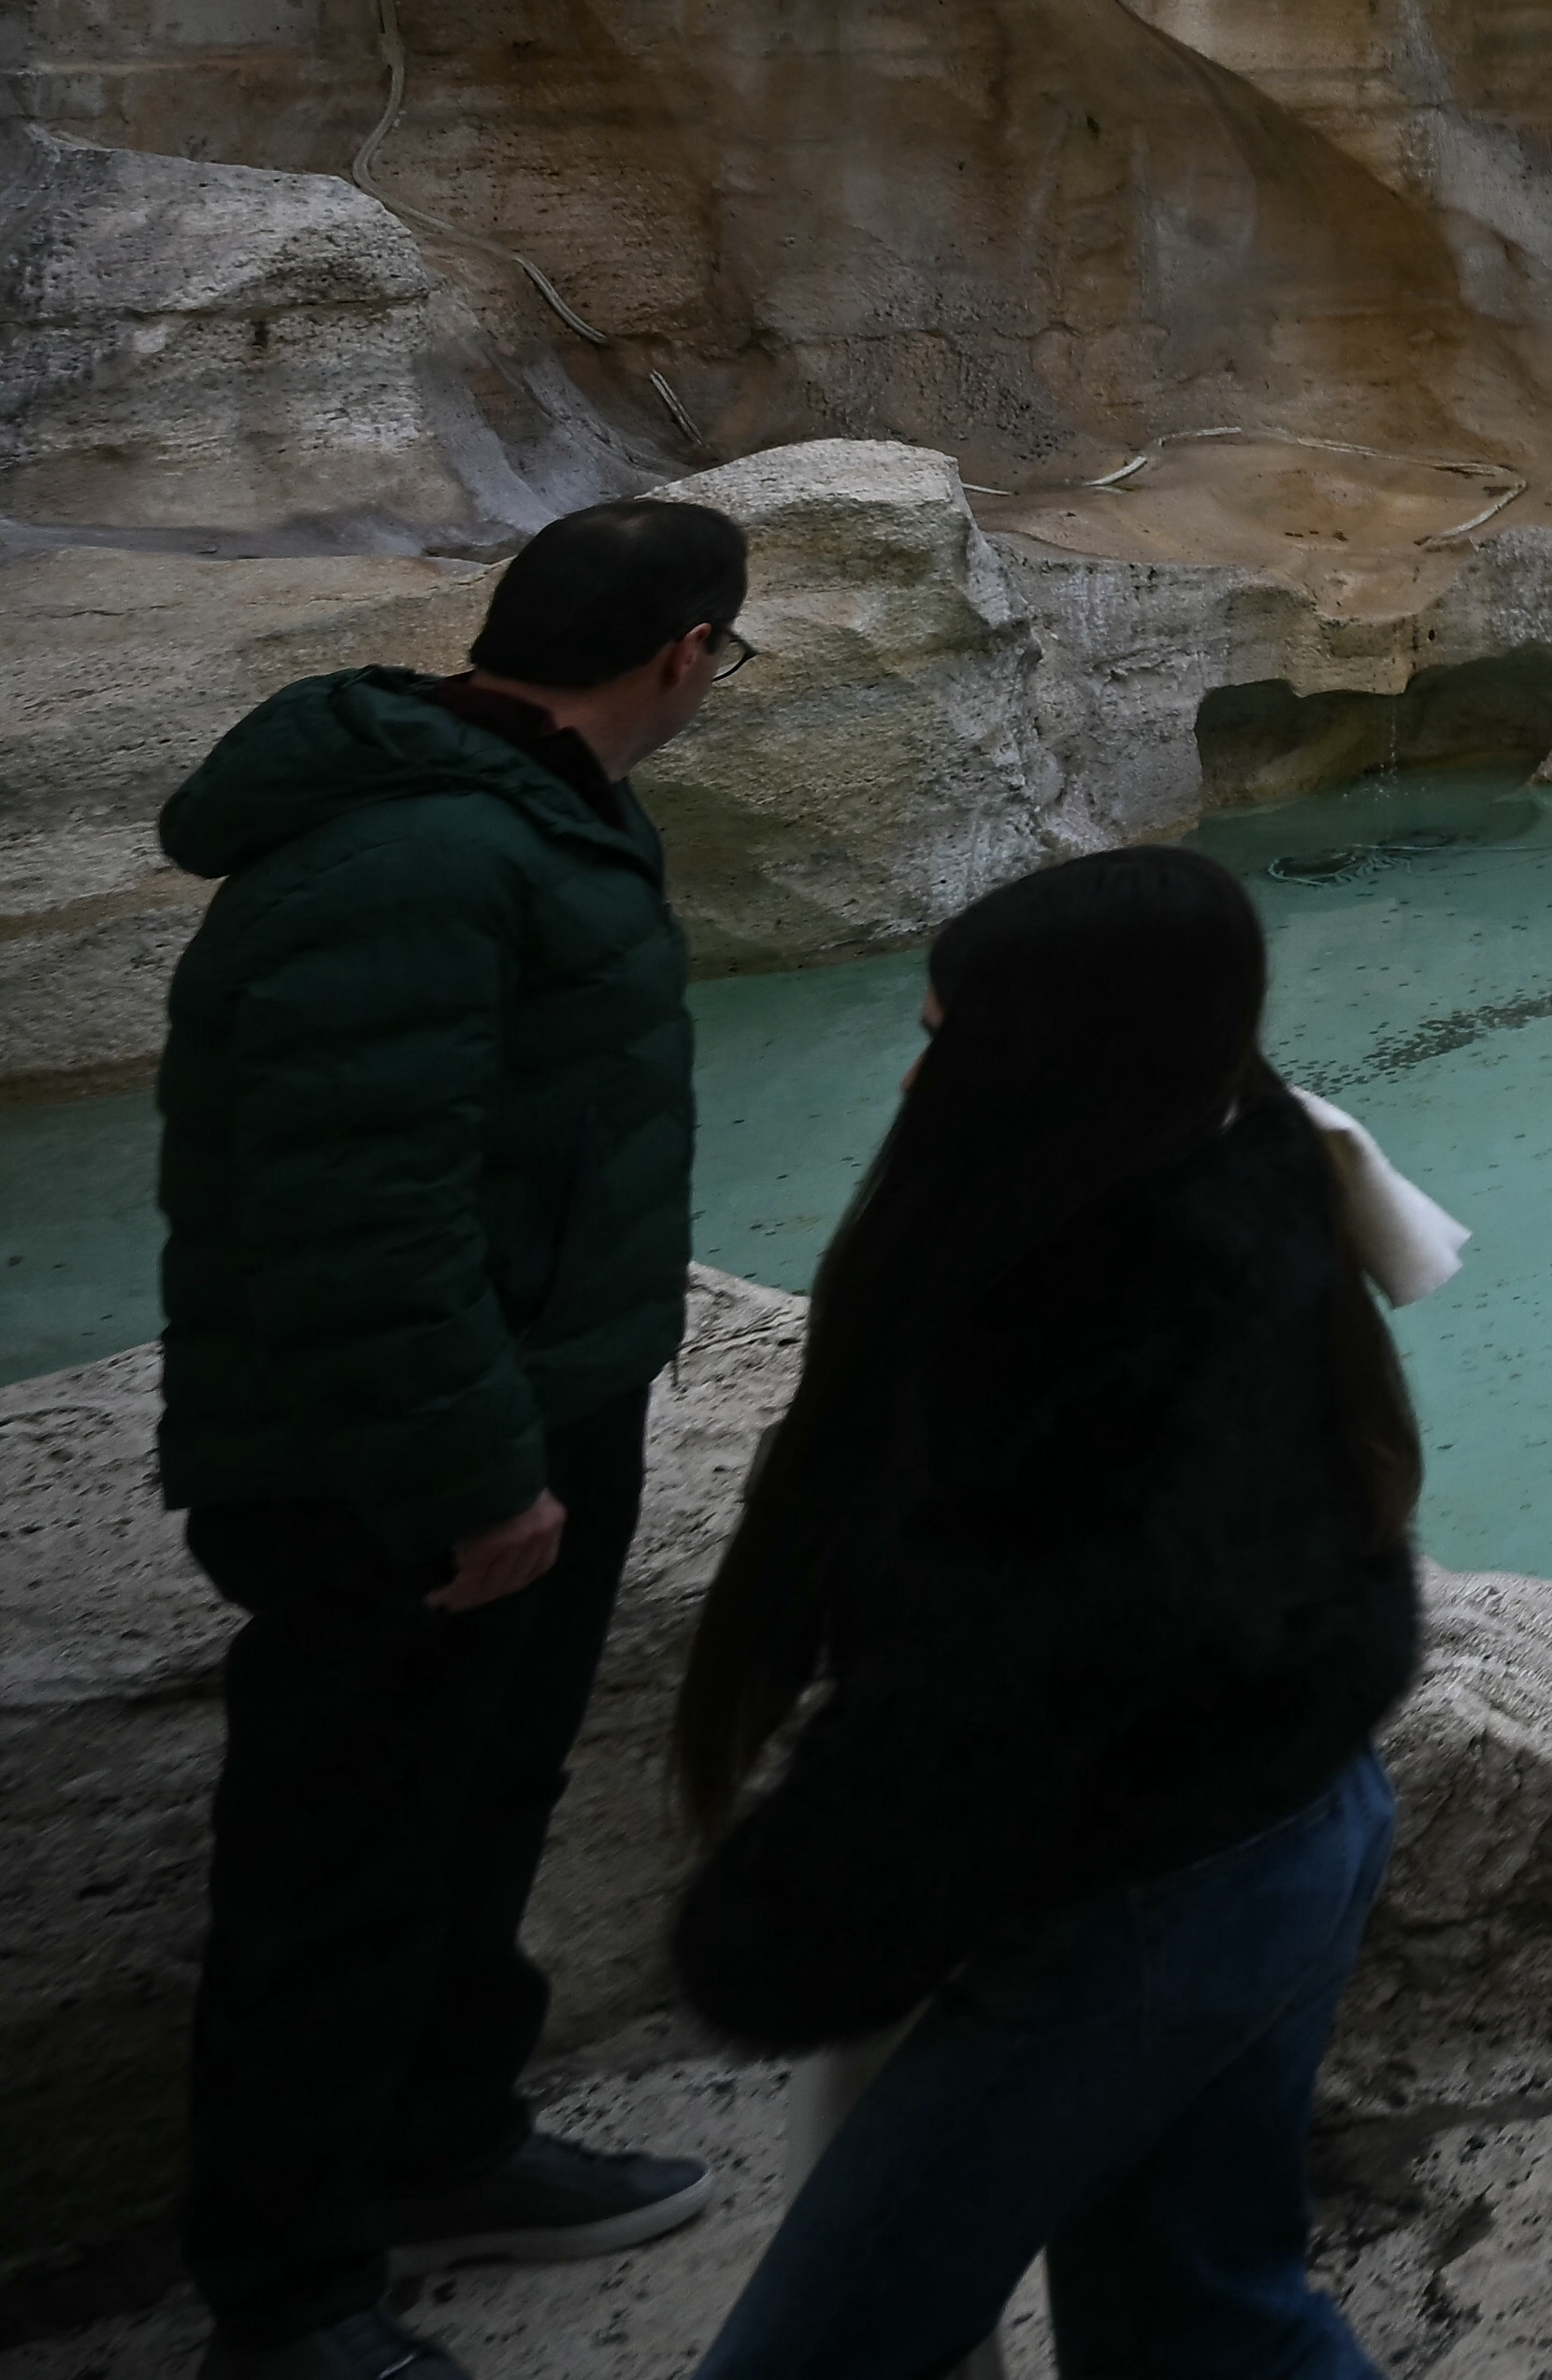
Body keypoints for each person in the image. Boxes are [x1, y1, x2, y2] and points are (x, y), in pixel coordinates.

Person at [663, 852, 1434, 2380]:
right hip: (1304, 1812)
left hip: (1138, 1908)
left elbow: (986, 1697)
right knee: (1206, 2317)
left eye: (943, 1032)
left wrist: (784, 1928)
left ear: (1041, 1055)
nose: (911, 1066)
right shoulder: (1261, 1161)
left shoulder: (1064, 1330)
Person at [151, 497, 746, 2380]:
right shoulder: (417, 853)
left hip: (531, 1402)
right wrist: (473, 1469)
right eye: (727, 648)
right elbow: (355, 1208)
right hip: (391, 1463)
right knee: (340, 1866)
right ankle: (295, 2298)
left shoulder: (531, 812)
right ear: (680, 656)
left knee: (469, 1810)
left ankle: (442, 2142)